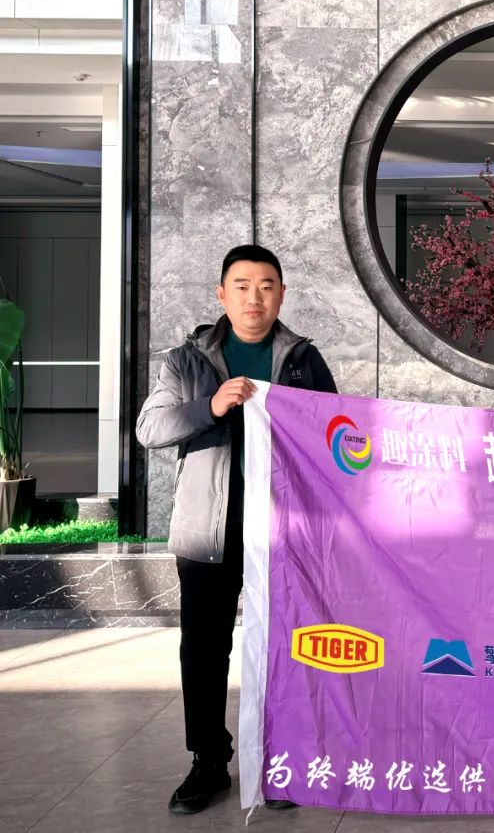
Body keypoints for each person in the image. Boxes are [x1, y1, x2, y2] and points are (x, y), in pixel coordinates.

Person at [136, 244, 337, 814]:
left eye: (267, 286)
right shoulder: (186, 361)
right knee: (204, 649)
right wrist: (211, 406)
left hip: (284, 530)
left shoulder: (302, 360)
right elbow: (149, 428)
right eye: (243, 286)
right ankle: (208, 762)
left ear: (282, 295)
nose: (255, 297)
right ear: (222, 294)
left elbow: (337, 434)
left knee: (285, 646)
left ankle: (280, 758)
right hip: (210, 530)